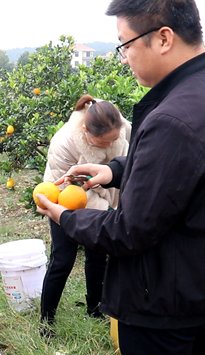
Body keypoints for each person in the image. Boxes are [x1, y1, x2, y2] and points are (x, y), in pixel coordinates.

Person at [34, 0, 205, 354]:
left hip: (163, 304)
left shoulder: (173, 118)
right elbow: (184, 174)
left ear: (163, 38)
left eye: (125, 44)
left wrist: (65, 217)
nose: (123, 57)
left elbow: (128, 232)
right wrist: (112, 171)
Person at [40, 95, 131, 330]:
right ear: (85, 130)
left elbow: (127, 166)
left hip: (106, 200)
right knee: (62, 260)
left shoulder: (121, 128)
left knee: (98, 256)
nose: (109, 145)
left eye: (114, 140)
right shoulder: (64, 142)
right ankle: (46, 320)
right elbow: (64, 186)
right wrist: (109, 215)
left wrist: (114, 208)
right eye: (102, 143)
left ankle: (95, 308)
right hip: (64, 201)